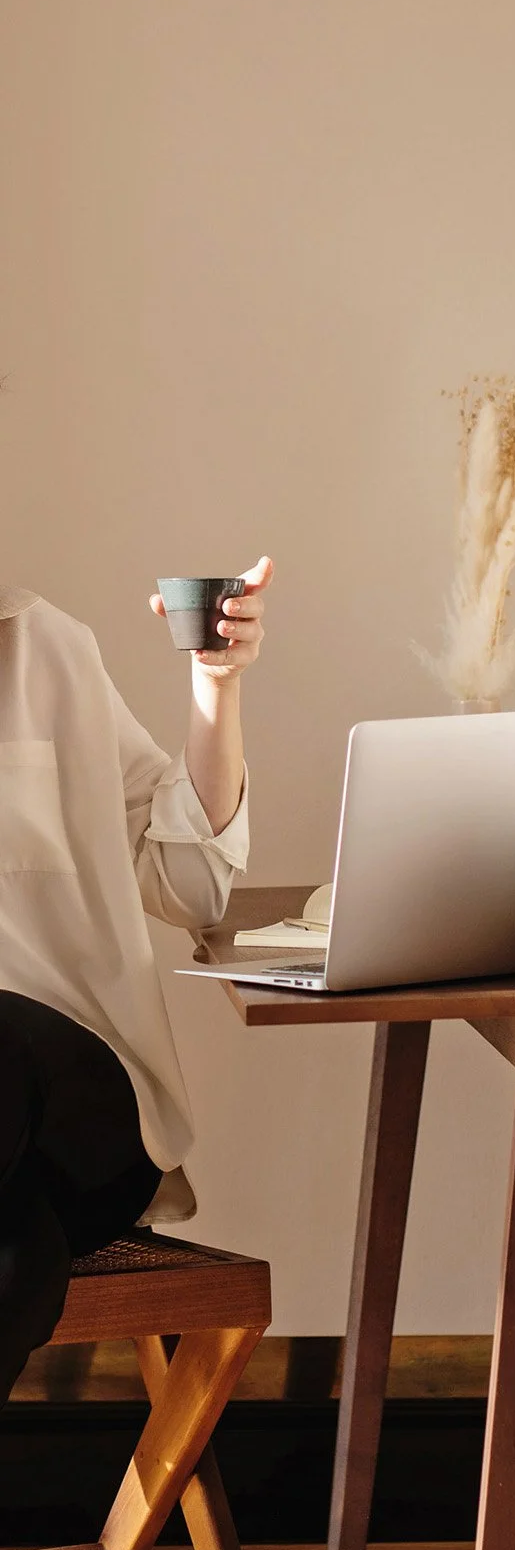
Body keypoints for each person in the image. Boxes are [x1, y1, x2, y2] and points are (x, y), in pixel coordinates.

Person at [0, 558, 273, 1401]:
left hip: (78, 1114)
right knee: (16, 1253)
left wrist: (213, 685)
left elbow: (188, 883)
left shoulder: (42, 647)